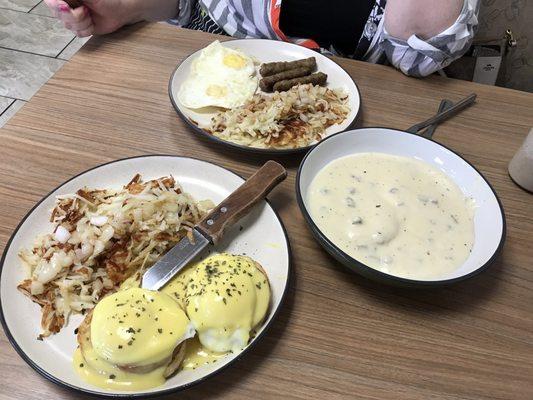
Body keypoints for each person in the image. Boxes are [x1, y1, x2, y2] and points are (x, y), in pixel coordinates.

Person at [44, 0, 479, 77]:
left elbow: (420, 55)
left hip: (338, 116)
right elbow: (187, 5)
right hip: (203, 82)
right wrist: (126, 8)